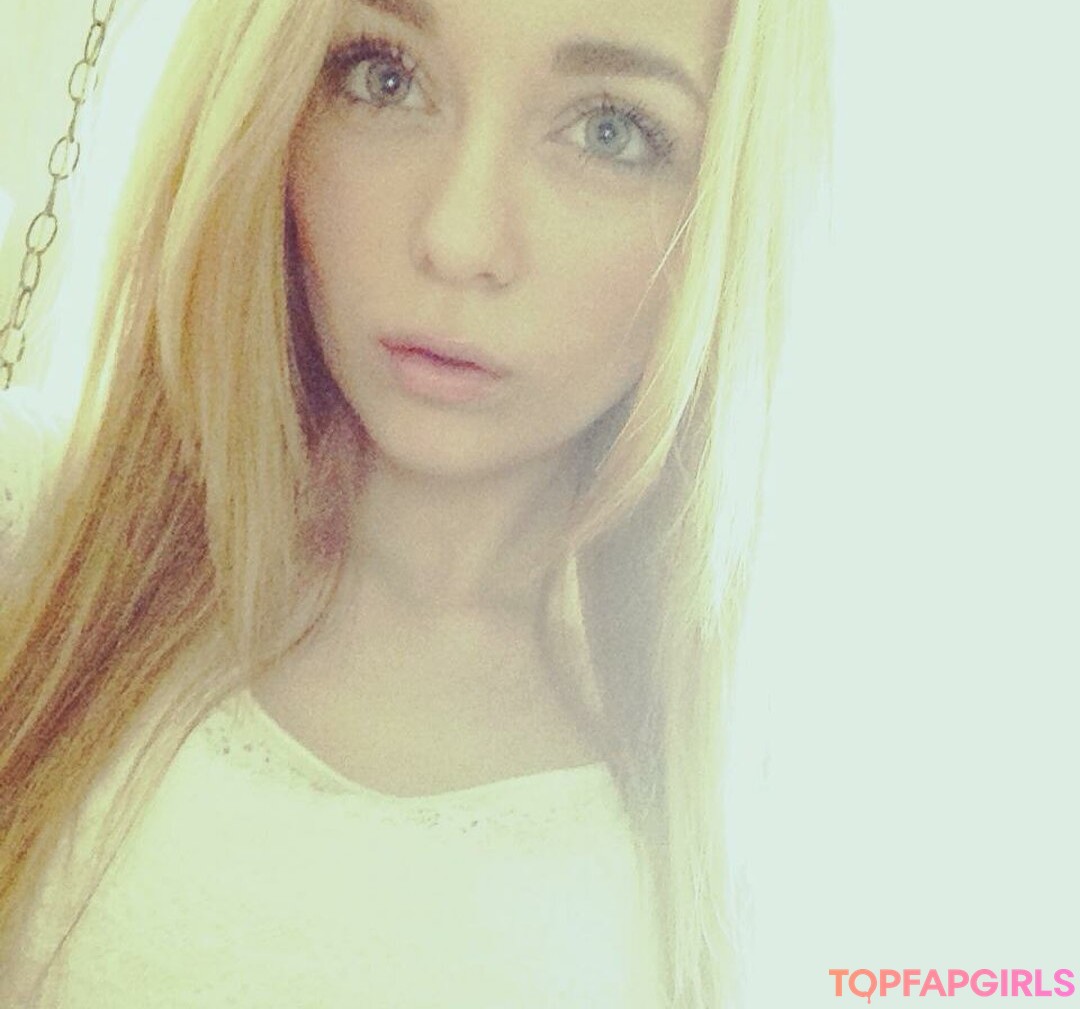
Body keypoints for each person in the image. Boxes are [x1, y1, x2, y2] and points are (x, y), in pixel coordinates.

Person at [0, 0, 830, 1005]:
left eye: (610, 130)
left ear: (728, 202)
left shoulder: (761, 804)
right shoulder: (33, 539)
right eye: (383, 77)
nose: (457, 236)